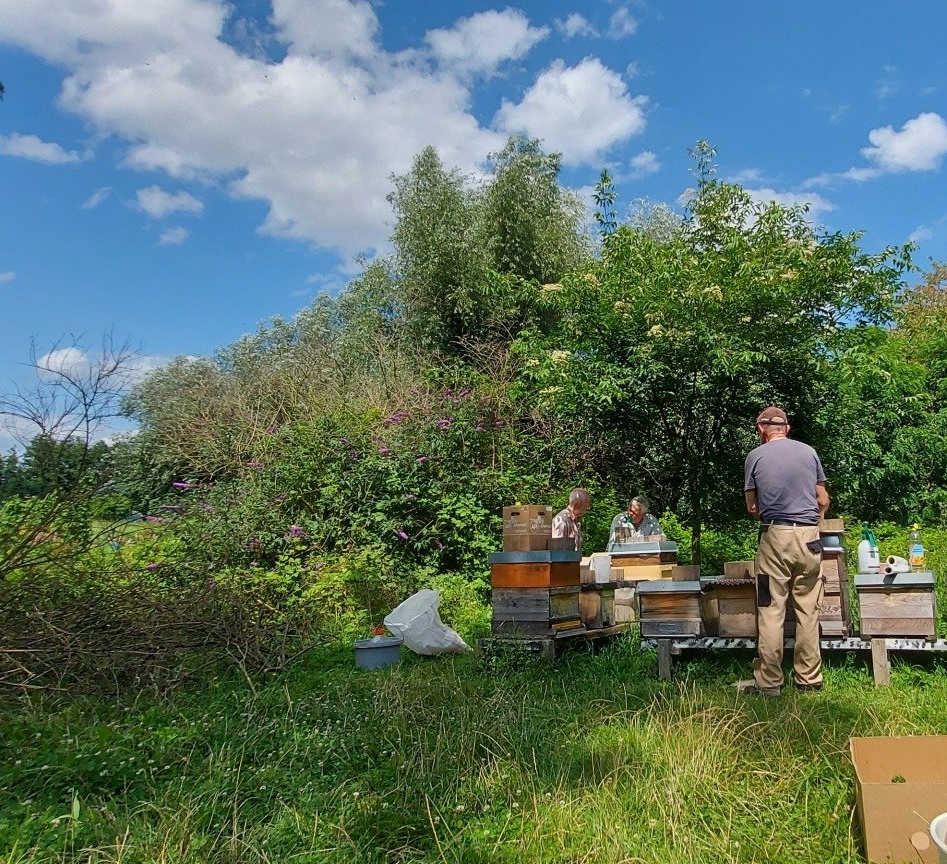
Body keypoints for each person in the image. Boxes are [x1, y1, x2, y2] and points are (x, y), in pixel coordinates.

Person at [737, 406, 830, 697]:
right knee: (808, 610)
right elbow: (823, 498)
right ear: (786, 428)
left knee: (771, 610)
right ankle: (809, 680)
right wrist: (816, 519)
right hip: (810, 539)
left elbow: (752, 507)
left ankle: (770, 684)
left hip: (775, 536)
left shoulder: (755, 456)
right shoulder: (809, 452)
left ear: (761, 429)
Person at [551, 488, 591, 553]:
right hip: (564, 562)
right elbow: (557, 552)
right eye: (587, 504)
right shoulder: (561, 520)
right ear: (579, 503)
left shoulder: (575, 521)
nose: (588, 507)